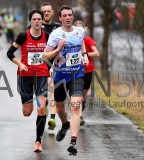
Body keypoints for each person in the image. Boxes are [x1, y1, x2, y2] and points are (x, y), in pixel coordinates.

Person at [6, 10, 63, 152]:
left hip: (41, 75)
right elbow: (9, 53)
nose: (37, 21)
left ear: (42, 21)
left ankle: (38, 141)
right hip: (25, 76)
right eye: (34, 19)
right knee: (27, 112)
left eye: (39, 19)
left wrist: (52, 65)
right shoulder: (23, 35)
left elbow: (53, 54)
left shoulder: (47, 36)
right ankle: (27, 104)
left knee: (41, 108)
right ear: (30, 21)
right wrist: (20, 64)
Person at [43, 5, 89, 155]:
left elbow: (81, 42)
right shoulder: (55, 35)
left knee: (76, 107)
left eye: (70, 15)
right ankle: (64, 125)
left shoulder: (80, 31)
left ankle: (73, 142)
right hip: (61, 76)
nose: (68, 17)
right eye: (65, 16)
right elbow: (45, 56)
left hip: (77, 73)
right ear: (60, 18)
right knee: (60, 108)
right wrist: (58, 49)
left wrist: (85, 55)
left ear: (73, 17)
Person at [40, 2, 61, 131]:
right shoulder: (35, 26)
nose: (46, 13)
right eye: (44, 12)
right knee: (42, 94)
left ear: (52, 13)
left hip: (54, 64)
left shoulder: (58, 28)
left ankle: (52, 118)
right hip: (40, 64)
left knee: (52, 89)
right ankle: (45, 108)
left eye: (48, 11)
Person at [74, 20, 100, 126]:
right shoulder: (71, 40)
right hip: (75, 70)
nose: (79, 31)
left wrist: (84, 54)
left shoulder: (87, 40)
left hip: (88, 70)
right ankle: (79, 116)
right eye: (77, 28)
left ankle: (82, 104)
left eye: (81, 28)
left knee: (85, 93)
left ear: (85, 29)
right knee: (78, 94)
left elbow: (96, 53)